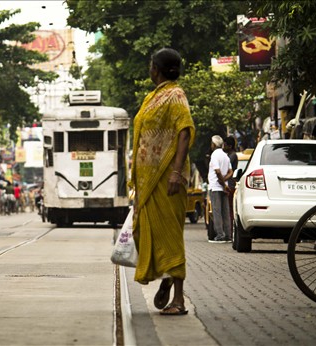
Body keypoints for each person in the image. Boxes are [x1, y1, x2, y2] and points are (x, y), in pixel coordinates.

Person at [130, 48, 195, 316]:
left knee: (171, 235)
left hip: (168, 179)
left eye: (151, 65)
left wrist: (176, 172)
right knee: (141, 232)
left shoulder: (176, 95)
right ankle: (166, 275)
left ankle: (178, 299)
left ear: (157, 68)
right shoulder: (152, 97)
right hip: (147, 183)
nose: (149, 69)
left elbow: (183, 132)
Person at [208, 135, 233, 243]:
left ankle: (220, 235)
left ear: (213, 144)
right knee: (225, 212)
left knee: (217, 212)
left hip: (216, 187)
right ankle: (228, 235)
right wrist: (225, 182)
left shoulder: (214, 155)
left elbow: (217, 171)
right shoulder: (225, 156)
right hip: (223, 187)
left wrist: (222, 183)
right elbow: (231, 172)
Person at [223, 136, 238, 231]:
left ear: (230, 146)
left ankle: (230, 230)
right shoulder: (229, 155)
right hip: (228, 184)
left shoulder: (232, 156)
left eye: (225, 145)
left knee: (230, 209)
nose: (223, 146)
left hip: (230, 185)